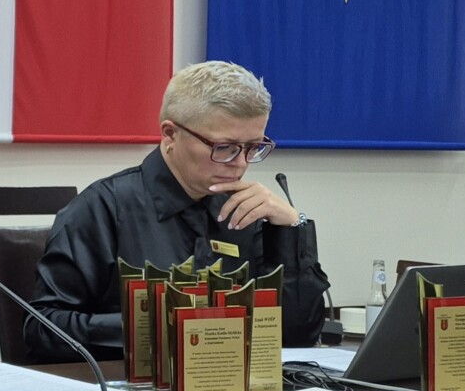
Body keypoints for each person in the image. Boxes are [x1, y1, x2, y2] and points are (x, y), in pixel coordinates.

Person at [26, 60, 330, 361]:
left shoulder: (247, 211)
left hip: (231, 383)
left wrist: (291, 228)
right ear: (170, 134)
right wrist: (162, 329)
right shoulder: (103, 208)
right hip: (127, 384)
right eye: (223, 147)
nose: (240, 163)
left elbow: (297, 335)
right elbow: (42, 329)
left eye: (253, 147)